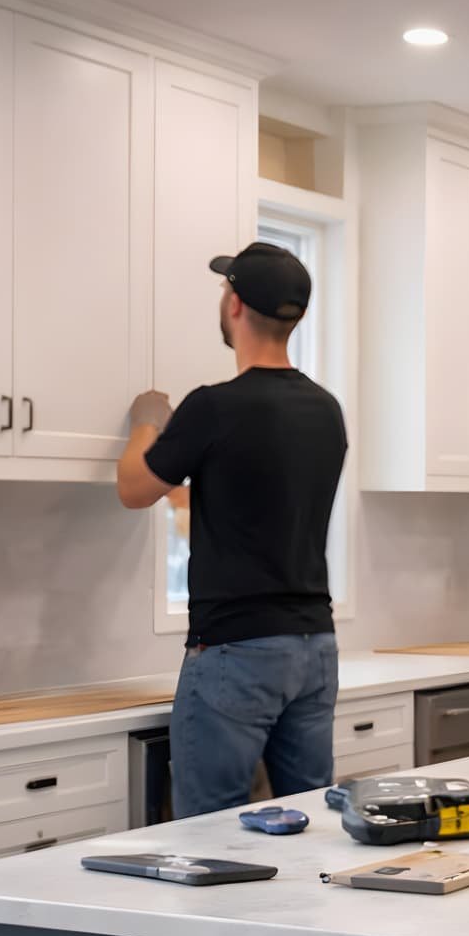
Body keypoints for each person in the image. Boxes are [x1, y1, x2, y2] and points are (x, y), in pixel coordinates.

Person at [116, 243, 348, 819]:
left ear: (236, 304)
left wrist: (148, 423)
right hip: (313, 649)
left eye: (225, 289)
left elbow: (132, 489)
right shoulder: (326, 410)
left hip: (237, 651)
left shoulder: (213, 408)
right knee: (307, 825)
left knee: (209, 836)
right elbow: (249, 504)